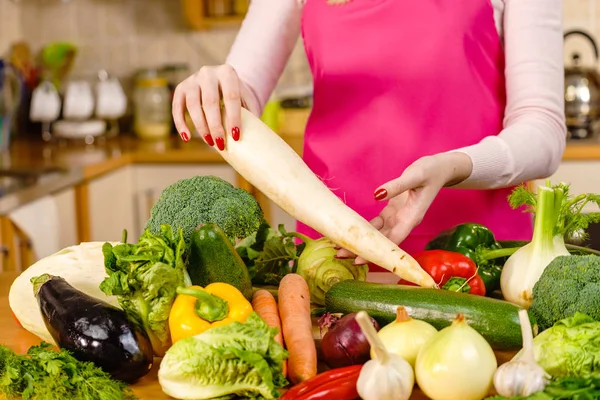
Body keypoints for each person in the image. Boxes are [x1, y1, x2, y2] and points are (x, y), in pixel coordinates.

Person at [172, 0, 566, 268]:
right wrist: (219, 93)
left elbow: (542, 127)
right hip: (333, 258)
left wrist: (455, 166)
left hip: (478, 261)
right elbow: (244, 98)